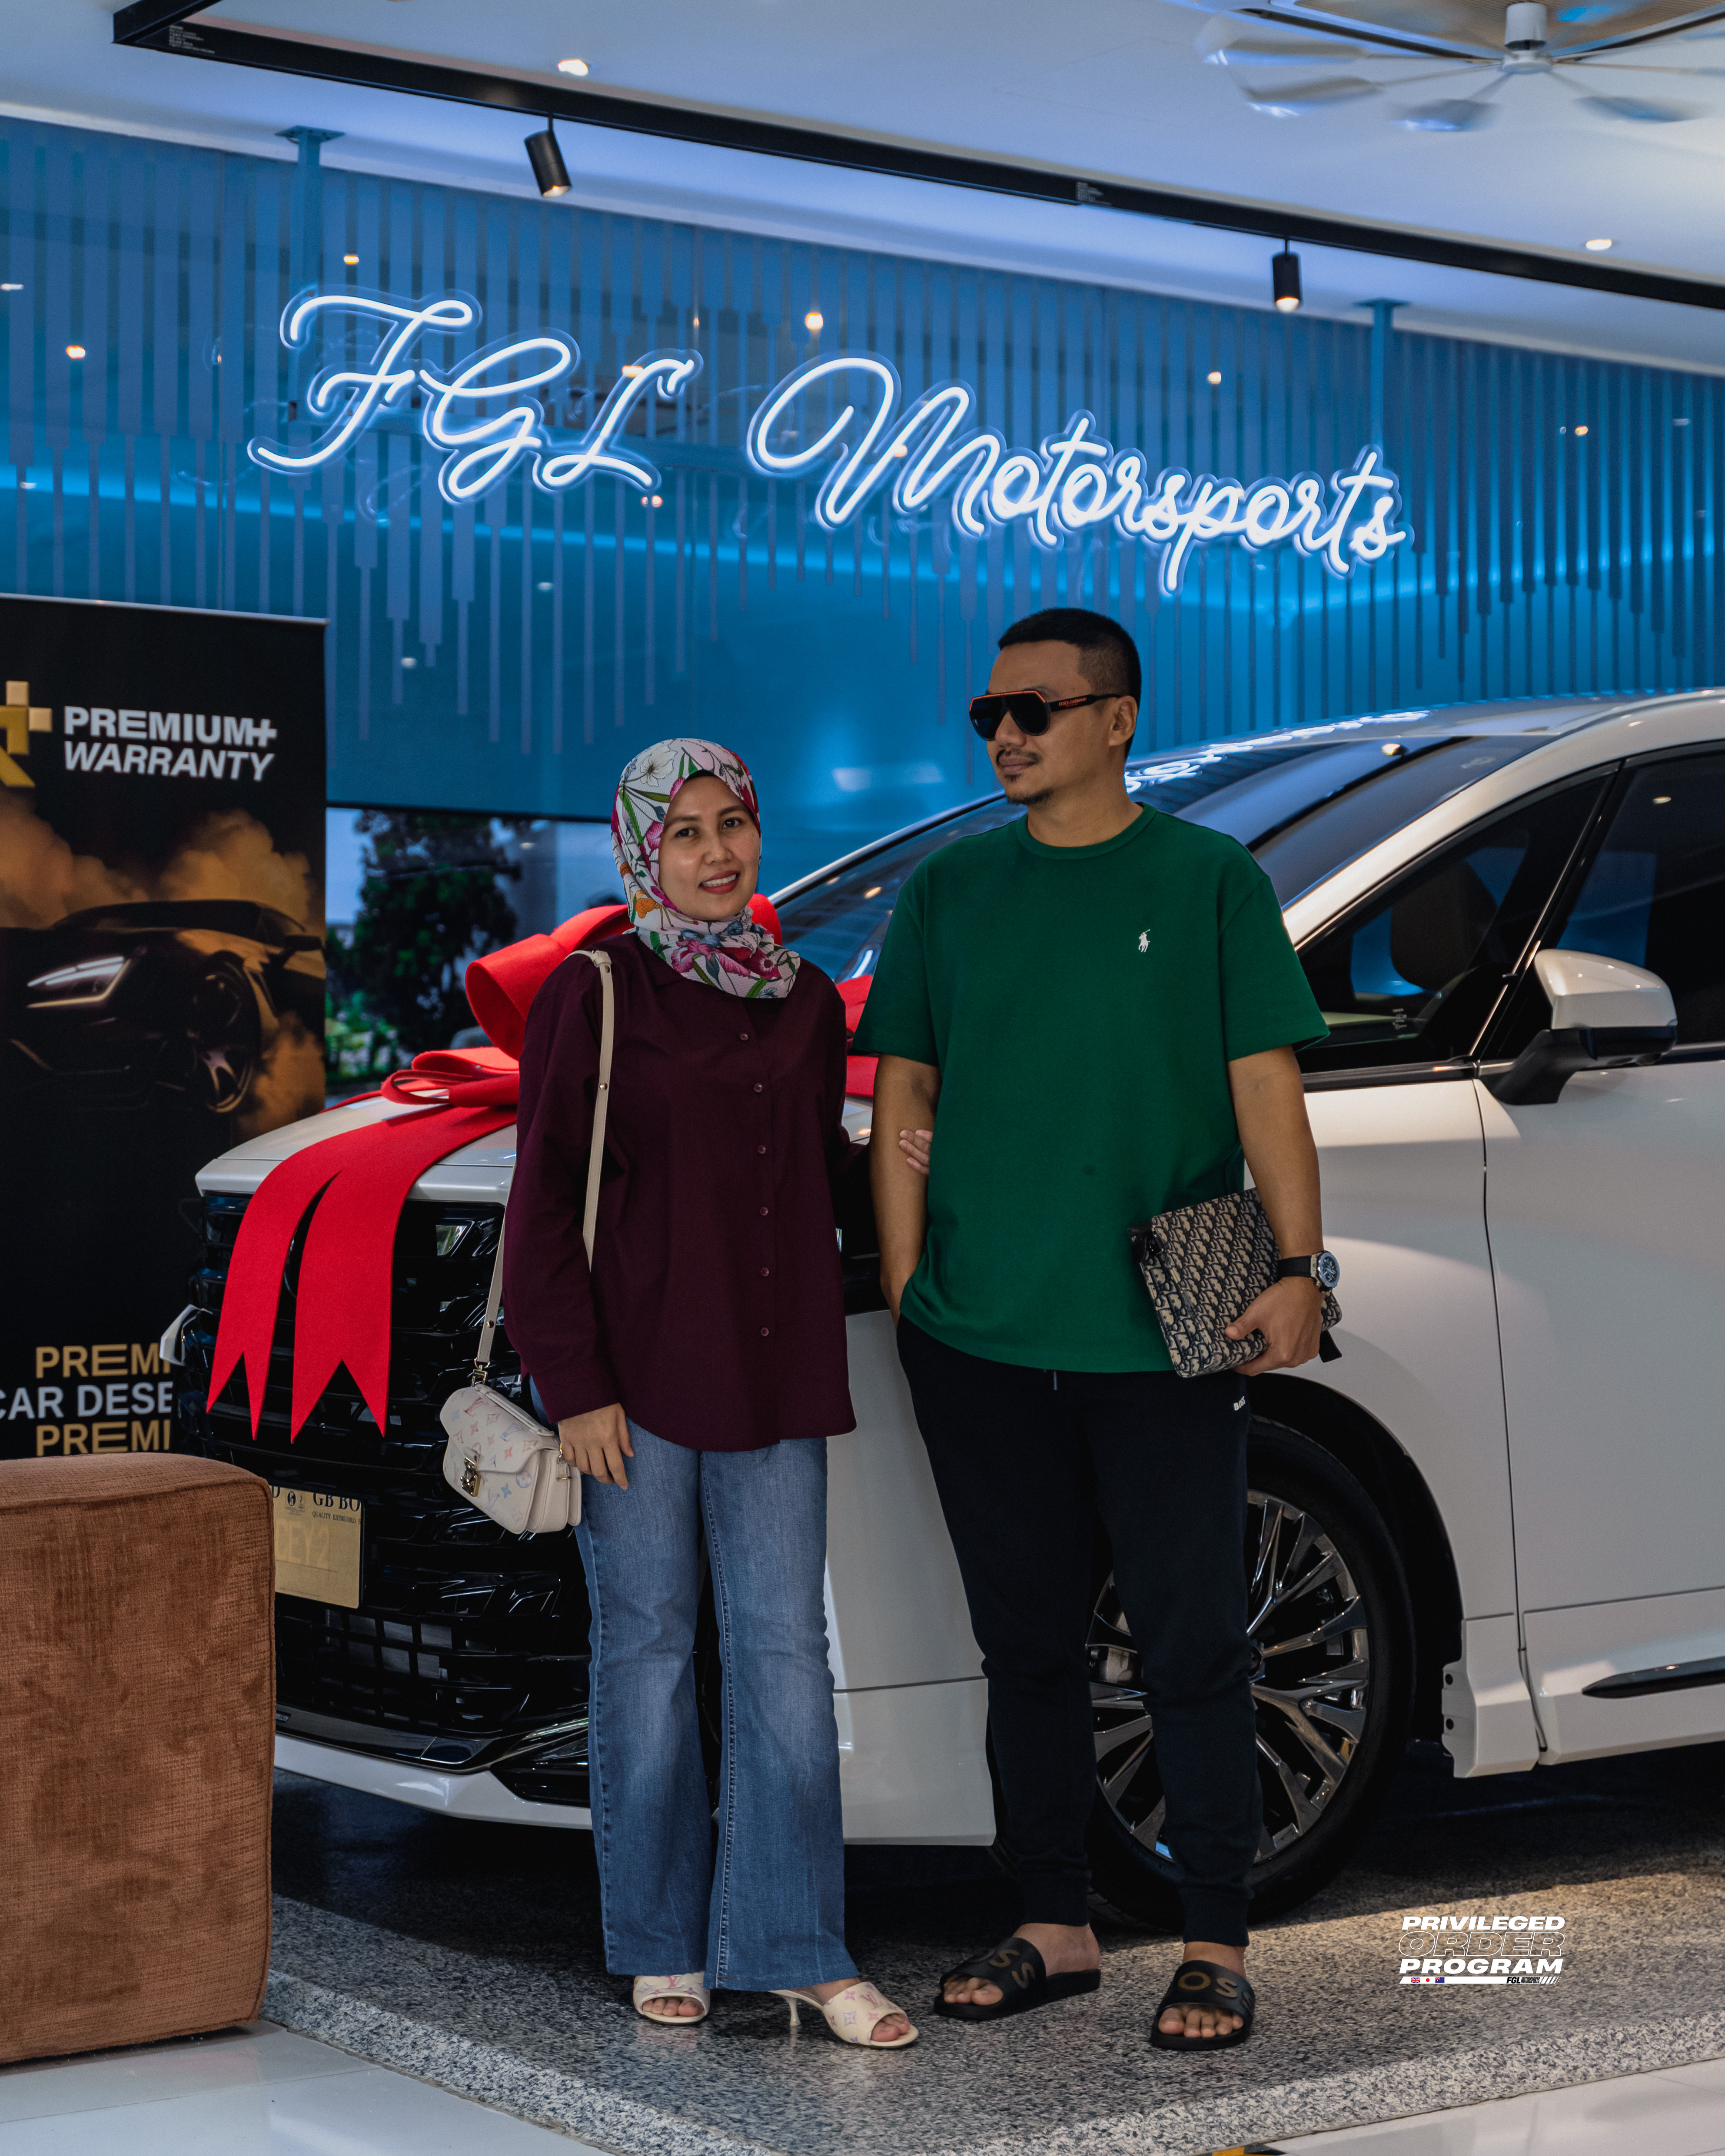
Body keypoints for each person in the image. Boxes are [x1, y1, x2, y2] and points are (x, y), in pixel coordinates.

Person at [854, 609, 1332, 2050]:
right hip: (977, 1338)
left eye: (1034, 710)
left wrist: (1299, 1266)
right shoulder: (949, 889)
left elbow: (1264, 1083)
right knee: (1025, 1647)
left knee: (1194, 1645)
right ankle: (1053, 1922)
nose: (1003, 734)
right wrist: (909, 1278)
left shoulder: (1206, 880)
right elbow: (905, 1090)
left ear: (1116, 720)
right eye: (987, 715)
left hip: (1168, 1335)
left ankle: (1214, 1936)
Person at [504, 737, 916, 2049]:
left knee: (787, 1657)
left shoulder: (806, 1000)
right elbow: (541, 1200)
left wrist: (906, 1159)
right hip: (629, 1384)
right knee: (646, 1655)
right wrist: (573, 1383)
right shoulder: (596, 990)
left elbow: (805, 1174)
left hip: (777, 1372)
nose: (715, 852)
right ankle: (659, 1937)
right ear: (644, 853)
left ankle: (797, 1944)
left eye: (730, 823)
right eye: (683, 832)